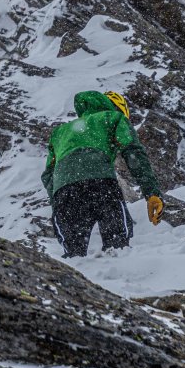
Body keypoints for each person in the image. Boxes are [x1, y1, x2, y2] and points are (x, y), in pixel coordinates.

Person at [41, 90, 164, 258]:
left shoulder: (60, 132)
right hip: (101, 185)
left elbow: (48, 175)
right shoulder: (113, 118)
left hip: (65, 192)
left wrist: (58, 206)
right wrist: (151, 193)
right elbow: (133, 152)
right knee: (118, 246)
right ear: (119, 109)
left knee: (73, 256)